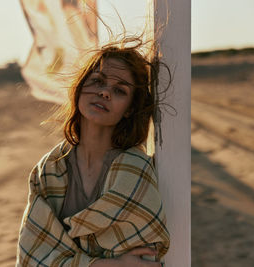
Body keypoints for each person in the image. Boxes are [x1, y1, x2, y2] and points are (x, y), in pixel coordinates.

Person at [16, 39, 170, 266]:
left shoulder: (136, 172)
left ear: (129, 110)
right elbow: (32, 254)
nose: (105, 92)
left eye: (119, 90)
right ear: (79, 90)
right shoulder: (48, 169)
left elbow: (145, 259)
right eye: (97, 81)